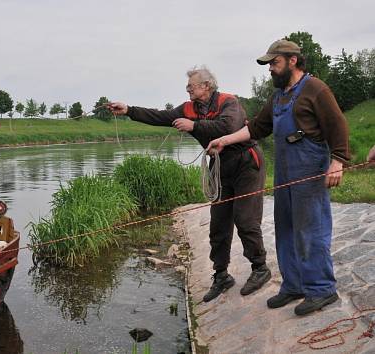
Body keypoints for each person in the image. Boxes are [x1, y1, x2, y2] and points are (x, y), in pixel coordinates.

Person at [207, 40, 351, 316]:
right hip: (285, 173)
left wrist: (338, 161)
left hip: (309, 172)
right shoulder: (278, 96)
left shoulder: (316, 89)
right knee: (285, 229)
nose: (270, 69)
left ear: (292, 60)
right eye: (269, 64)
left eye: (274, 63)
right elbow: (257, 128)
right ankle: (294, 285)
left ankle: (321, 289)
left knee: (311, 230)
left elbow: (337, 125)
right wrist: (224, 140)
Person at [108, 67, 271, 302]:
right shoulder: (188, 109)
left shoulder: (229, 102)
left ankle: (260, 269)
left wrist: (193, 126)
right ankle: (222, 275)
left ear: (206, 86)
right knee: (219, 225)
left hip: (247, 163)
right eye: (187, 86)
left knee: (246, 220)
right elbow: (159, 116)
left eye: (191, 86)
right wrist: (128, 111)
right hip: (219, 167)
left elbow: (228, 128)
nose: (187, 89)